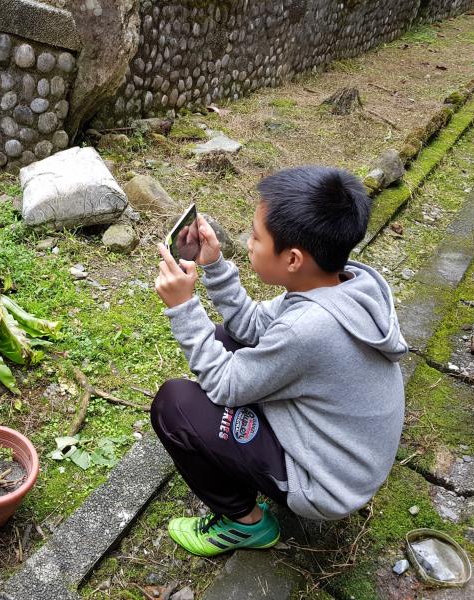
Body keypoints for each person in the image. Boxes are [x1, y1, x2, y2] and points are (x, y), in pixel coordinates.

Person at [152, 166, 407, 557]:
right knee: (225, 339)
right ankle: (247, 463)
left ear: (292, 259)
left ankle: (244, 523)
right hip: (347, 456)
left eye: (255, 237)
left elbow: (224, 384)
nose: (249, 244)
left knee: (175, 406)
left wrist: (184, 309)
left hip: (326, 485)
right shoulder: (342, 282)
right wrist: (214, 265)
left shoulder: (308, 328)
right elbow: (253, 326)